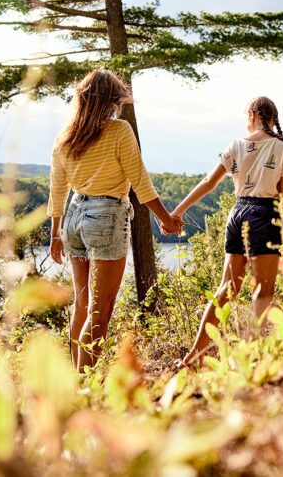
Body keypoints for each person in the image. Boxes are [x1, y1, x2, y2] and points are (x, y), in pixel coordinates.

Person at [47, 69, 183, 371]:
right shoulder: (119, 130)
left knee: (81, 307)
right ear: (112, 101)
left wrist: (55, 234)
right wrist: (168, 220)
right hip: (106, 218)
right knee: (100, 311)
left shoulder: (65, 137)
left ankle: (76, 383)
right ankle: (85, 389)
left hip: (73, 219)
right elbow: (141, 183)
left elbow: (57, 192)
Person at [170, 96, 283, 368]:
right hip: (265, 215)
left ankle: (194, 356)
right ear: (273, 118)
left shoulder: (235, 146)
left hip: (237, 212)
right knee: (263, 293)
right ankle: (247, 358)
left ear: (253, 114)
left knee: (226, 289)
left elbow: (209, 183)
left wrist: (178, 211)